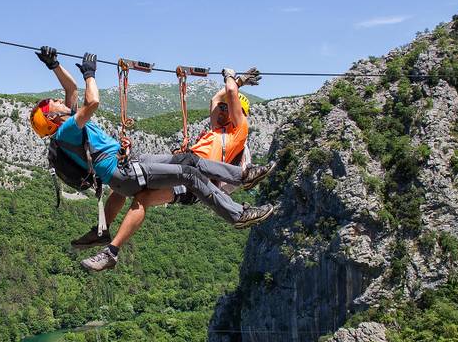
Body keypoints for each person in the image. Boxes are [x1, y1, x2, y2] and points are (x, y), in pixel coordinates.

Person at [29, 46, 276, 272]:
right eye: (54, 104)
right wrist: (90, 74)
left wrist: (54, 65)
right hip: (122, 170)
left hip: (124, 166)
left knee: (187, 161)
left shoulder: (66, 125)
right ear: (51, 118)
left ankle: (244, 176)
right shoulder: (67, 129)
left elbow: (71, 90)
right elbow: (92, 101)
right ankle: (237, 213)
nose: (59, 101)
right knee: (189, 174)